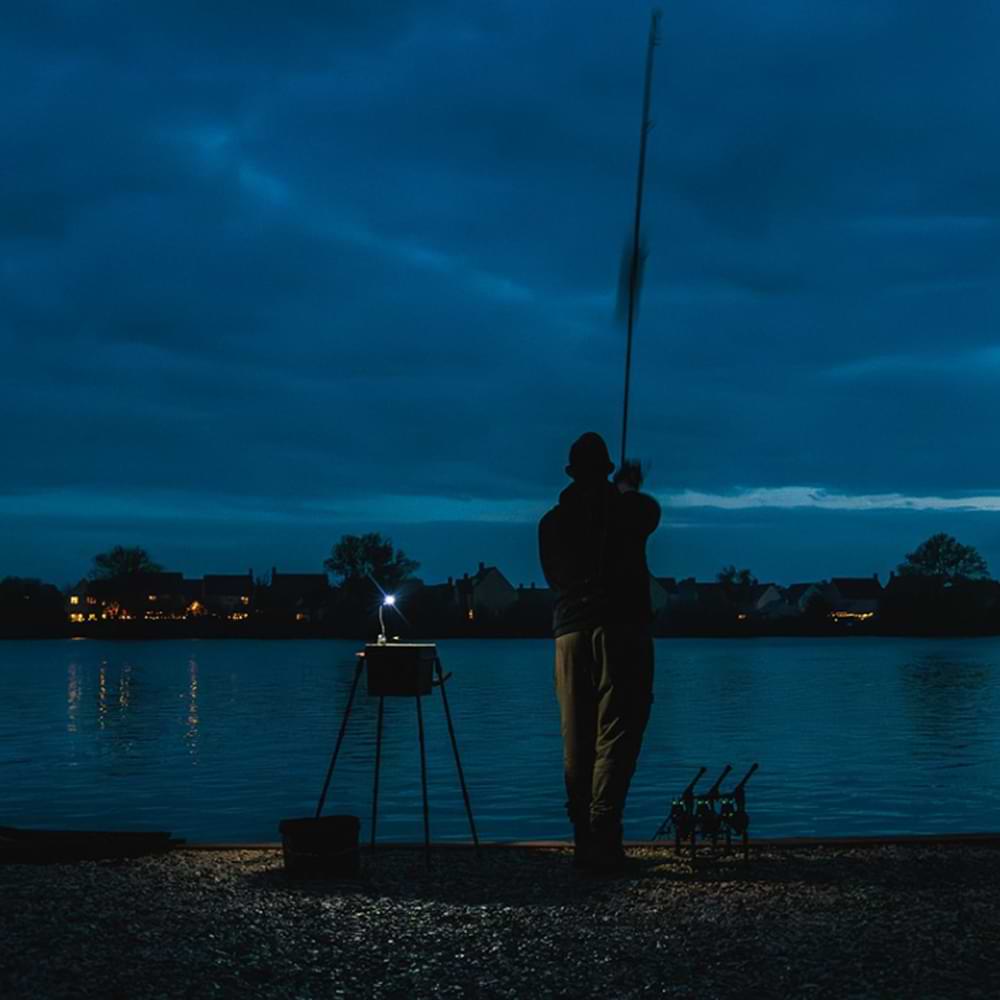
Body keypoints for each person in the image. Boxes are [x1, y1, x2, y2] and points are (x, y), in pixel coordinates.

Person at [538, 431, 661, 872]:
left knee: (577, 736)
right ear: (607, 470)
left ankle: (583, 840)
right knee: (618, 731)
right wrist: (626, 490)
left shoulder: (551, 523)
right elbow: (649, 513)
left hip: (569, 634)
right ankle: (605, 838)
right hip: (620, 630)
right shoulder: (627, 509)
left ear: (571, 473)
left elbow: (554, 577)